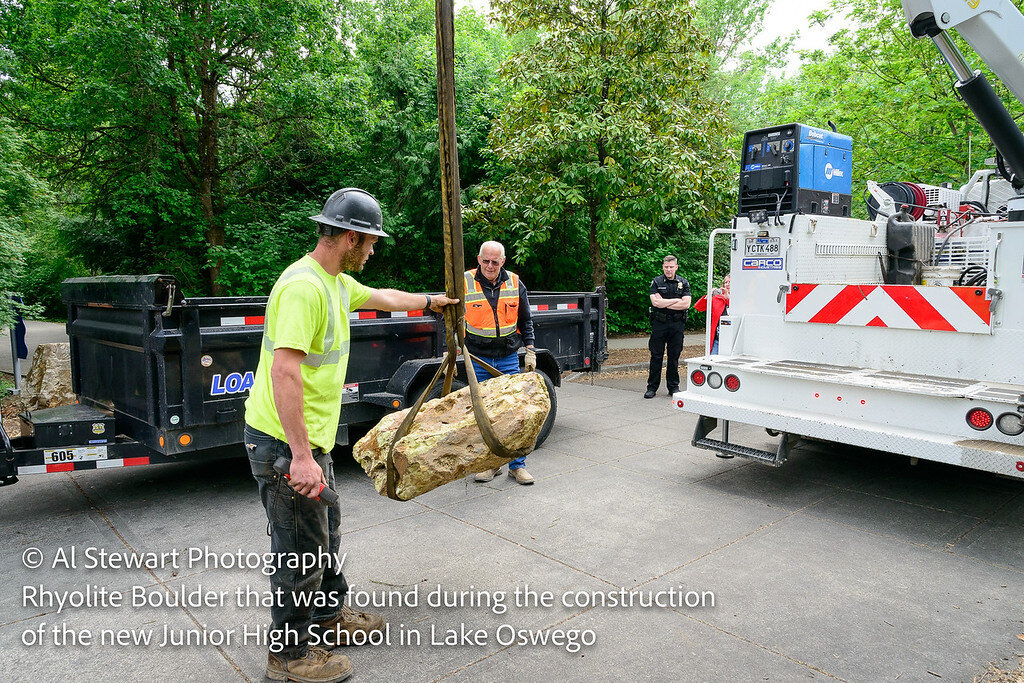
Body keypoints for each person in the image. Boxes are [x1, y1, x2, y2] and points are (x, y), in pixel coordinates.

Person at [243, 187, 458, 683]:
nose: (373, 250)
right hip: (283, 443)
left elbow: (384, 297)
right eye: (370, 242)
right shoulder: (305, 287)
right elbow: (284, 374)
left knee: (326, 528)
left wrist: (433, 302)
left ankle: (328, 617)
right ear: (348, 236)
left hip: (311, 441)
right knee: (299, 547)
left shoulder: (336, 283)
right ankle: (290, 655)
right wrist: (300, 456)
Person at [466, 240, 538, 485]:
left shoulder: (515, 283)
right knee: (485, 415)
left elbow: (526, 320)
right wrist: (450, 349)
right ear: (478, 258)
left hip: (507, 357)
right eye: (485, 260)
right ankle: (491, 465)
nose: (489, 265)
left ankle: (517, 466)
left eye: (494, 262)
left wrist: (530, 351)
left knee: (515, 412)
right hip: (477, 358)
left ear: (503, 262)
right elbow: (451, 318)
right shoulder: (465, 282)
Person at [645, 254, 691, 399]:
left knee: (674, 357)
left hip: (677, 325)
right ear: (663, 267)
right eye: (666, 267)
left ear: (676, 267)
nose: (669, 270)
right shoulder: (656, 282)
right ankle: (652, 388)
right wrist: (676, 300)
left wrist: (665, 301)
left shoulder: (683, 283)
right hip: (660, 324)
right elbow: (656, 303)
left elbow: (686, 304)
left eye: (671, 267)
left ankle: (673, 387)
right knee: (656, 356)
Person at [694, 275, 730, 355]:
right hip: (717, 339)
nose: (727, 284)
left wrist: (728, 299)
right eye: (725, 282)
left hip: (732, 340)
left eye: (730, 282)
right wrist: (708, 296)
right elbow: (698, 307)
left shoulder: (741, 298)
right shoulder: (717, 298)